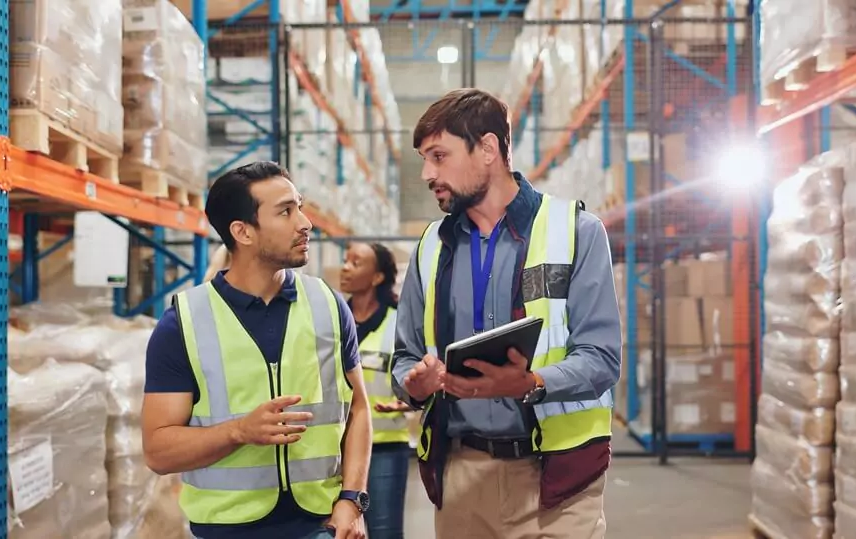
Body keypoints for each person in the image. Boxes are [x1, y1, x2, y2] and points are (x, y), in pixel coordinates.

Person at [391, 88, 622, 538]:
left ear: (489, 148)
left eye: (439, 156)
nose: (426, 173)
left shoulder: (576, 232)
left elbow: (601, 357)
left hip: (558, 481)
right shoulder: (430, 248)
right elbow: (405, 356)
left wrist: (532, 383)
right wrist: (412, 383)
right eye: (423, 158)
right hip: (462, 474)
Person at [142, 161, 372, 539]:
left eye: (299, 206)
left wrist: (352, 499)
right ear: (242, 232)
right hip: (227, 530)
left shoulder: (328, 305)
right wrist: (238, 431)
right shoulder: (182, 323)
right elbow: (158, 451)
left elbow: (359, 406)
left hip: (320, 525)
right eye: (286, 211)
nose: (305, 223)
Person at [339, 242, 411, 539]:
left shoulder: (400, 322)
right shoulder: (332, 318)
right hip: (336, 448)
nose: (345, 267)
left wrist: (409, 402)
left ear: (378, 277)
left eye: (356, 263)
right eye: (345, 261)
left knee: (384, 532)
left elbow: (416, 374)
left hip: (385, 447)